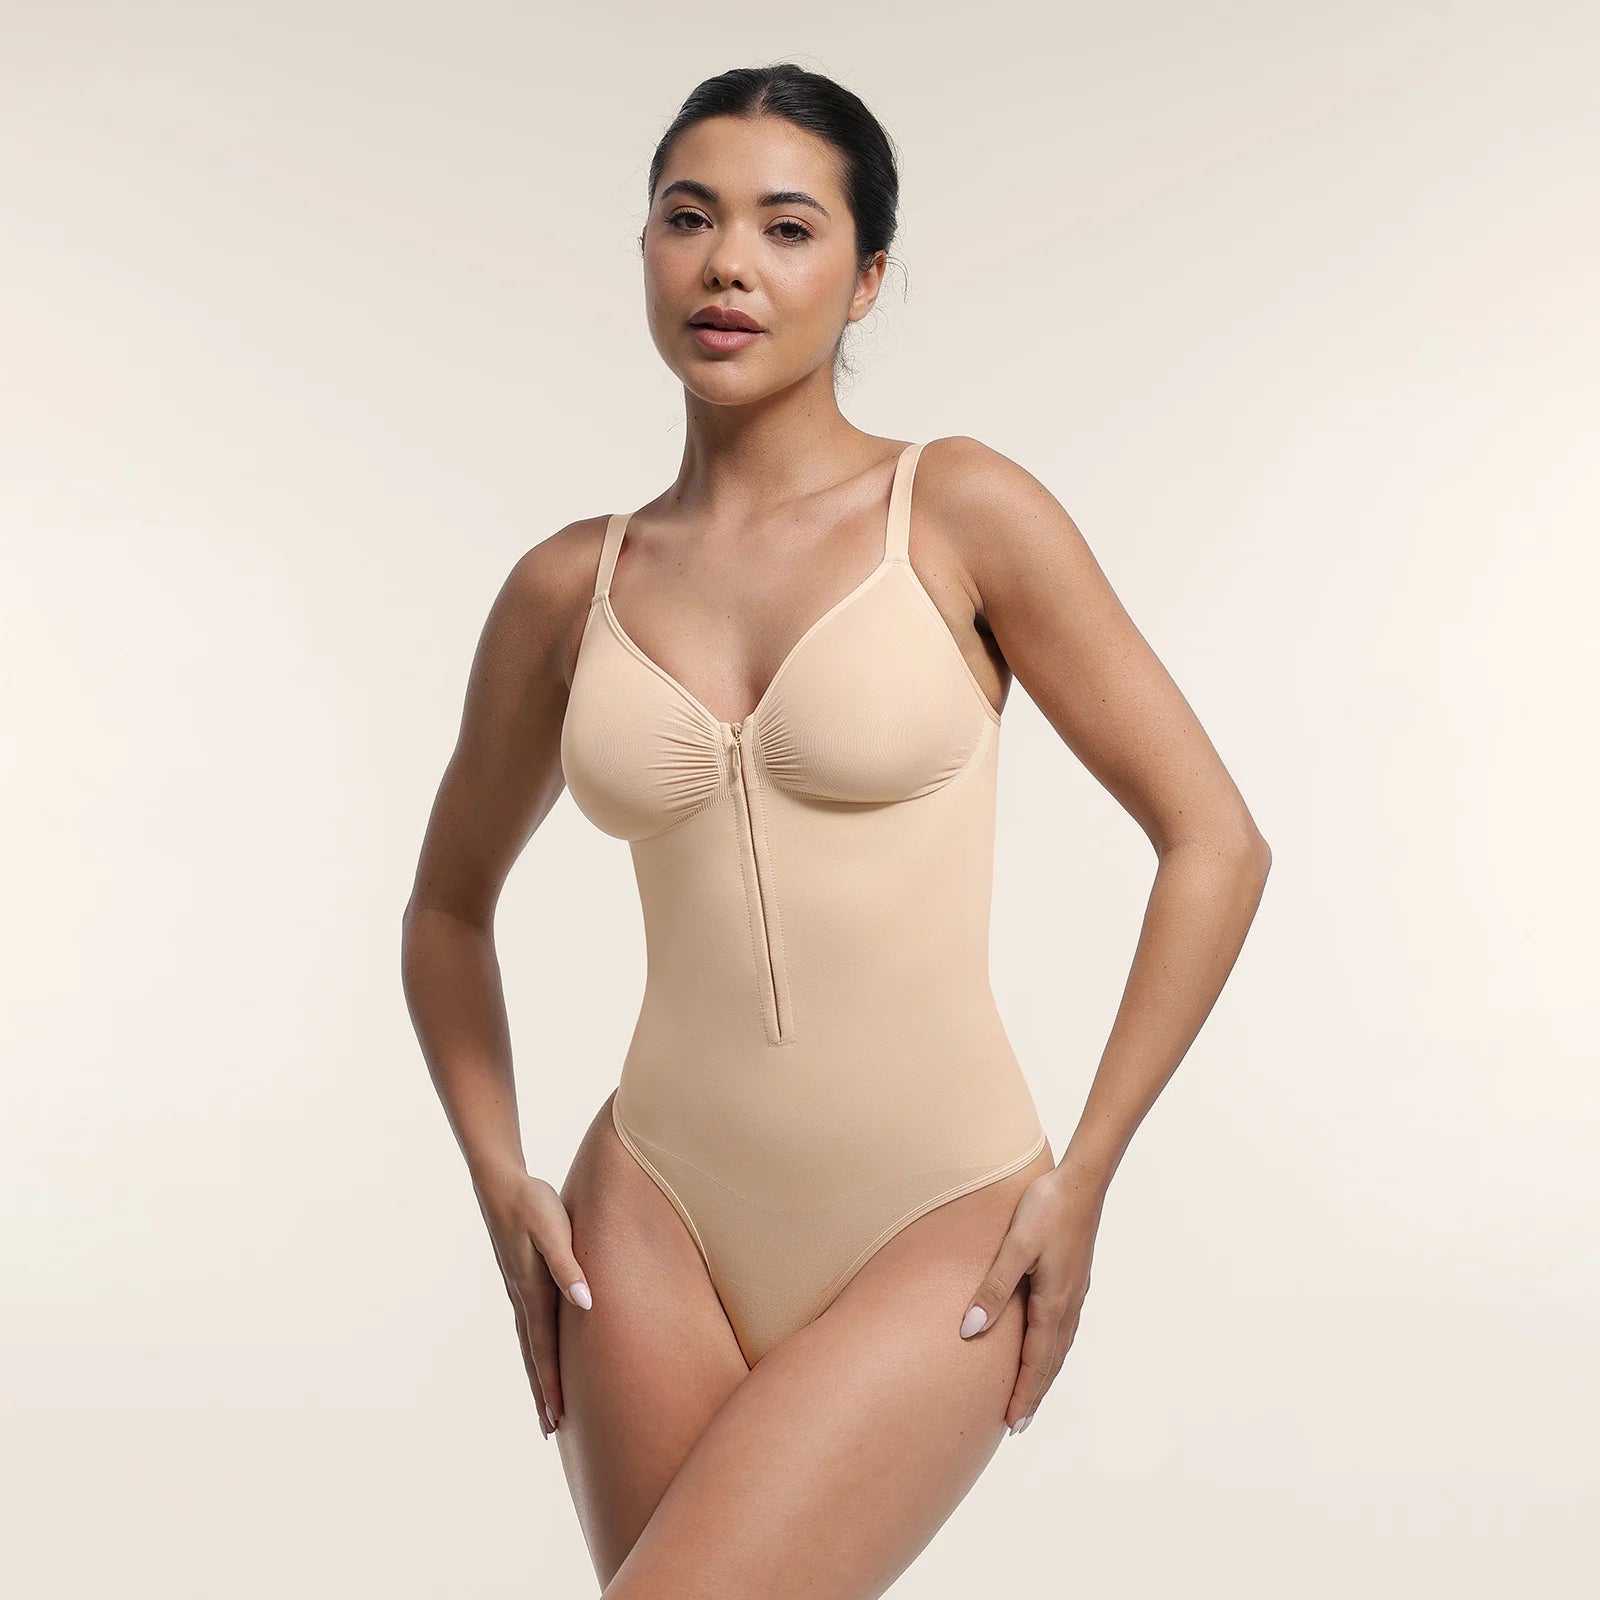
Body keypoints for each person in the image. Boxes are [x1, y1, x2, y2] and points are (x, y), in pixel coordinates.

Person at [401, 61, 1271, 1599]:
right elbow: (446, 911)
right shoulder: (566, 589)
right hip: (649, 1220)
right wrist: (499, 1176)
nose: (728, 264)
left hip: (940, 1213)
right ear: (646, 251)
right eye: (689, 219)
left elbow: (1214, 840)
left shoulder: (960, 512)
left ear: (867, 279)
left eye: (787, 228)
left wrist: (1087, 1173)